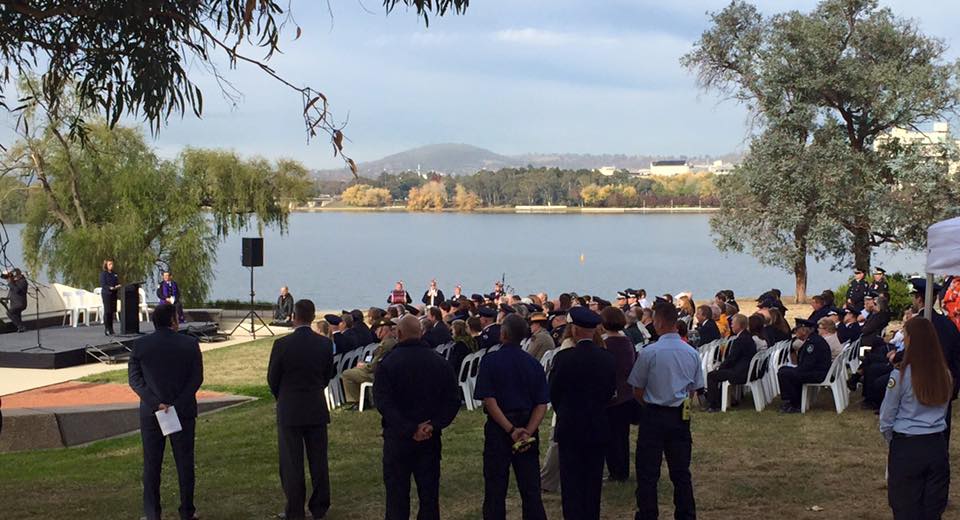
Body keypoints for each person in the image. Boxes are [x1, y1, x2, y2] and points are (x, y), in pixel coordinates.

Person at [374, 314, 461, 520]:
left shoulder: (388, 364)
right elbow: (452, 400)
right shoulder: (440, 363)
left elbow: (384, 403)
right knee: (429, 497)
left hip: (398, 438)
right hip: (429, 437)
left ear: (399, 333)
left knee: (397, 497)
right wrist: (433, 425)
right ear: (421, 333)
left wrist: (408, 428)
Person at [127, 303, 204, 520]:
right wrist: (177, 403)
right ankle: (187, 511)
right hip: (183, 410)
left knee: (152, 464)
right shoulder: (189, 344)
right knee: (185, 463)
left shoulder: (141, 345)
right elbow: (196, 379)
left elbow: (135, 380)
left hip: (152, 412)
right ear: (173, 320)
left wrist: (155, 403)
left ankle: (152, 513)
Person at [628, 300, 702, 520]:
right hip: (679, 415)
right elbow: (693, 389)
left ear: (658, 322)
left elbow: (637, 389)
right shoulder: (691, 352)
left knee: (648, 472)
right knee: (681, 472)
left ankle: (648, 514)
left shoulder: (650, 352)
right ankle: (686, 514)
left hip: (653, 414)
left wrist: (651, 403)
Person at [473, 314, 549, 520]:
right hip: (527, 426)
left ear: (503, 334)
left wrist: (510, 429)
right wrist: (528, 431)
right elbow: (542, 403)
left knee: (495, 487)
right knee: (531, 487)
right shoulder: (533, 364)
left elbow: (489, 400)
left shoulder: (490, 361)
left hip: (500, 428)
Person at [267, 299, 335, 520]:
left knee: (291, 463)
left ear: (294, 316)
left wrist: (283, 396)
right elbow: (327, 375)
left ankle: (295, 510)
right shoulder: (324, 344)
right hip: (315, 406)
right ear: (313, 317)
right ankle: (319, 507)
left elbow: (272, 378)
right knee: (318, 461)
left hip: (290, 409)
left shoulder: (282, 345)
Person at [879, 318, 953, 519]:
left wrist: (892, 441)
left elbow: (887, 415)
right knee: (932, 509)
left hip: (908, 444)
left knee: (905, 508)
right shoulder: (945, 374)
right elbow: (944, 408)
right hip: (936, 444)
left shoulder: (901, 375)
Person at [549, 307, 616, 520]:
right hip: (597, 424)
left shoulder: (564, 358)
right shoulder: (607, 358)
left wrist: (566, 411)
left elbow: (554, 392)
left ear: (575, 330)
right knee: (592, 482)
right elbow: (609, 392)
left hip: (570, 425)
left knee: (571, 483)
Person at [600, 306, 637, 482]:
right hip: (626, 392)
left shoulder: (604, 343)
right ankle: (622, 469)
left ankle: (616, 471)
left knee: (610, 436)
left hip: (611, 393)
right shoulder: (626, 341)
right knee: (622, 435)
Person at [776, 319, 831, 413]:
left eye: (797, 330)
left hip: (817, 373)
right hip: (816, 370)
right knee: (784, 370)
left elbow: (808, 365)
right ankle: (791, 400)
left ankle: (795, 403)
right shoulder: (811, 340)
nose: (795, 333)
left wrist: (796, 370)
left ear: (804, 331)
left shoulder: (813, 343)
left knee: (784, 373)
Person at [704, 314, 757, 412]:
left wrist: (720, 367)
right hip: (746, 369)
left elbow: (732, 359)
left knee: (711, 375)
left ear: (739, 325)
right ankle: (726, 399)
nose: (731, 326)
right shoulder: (748, 336)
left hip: (740, 373)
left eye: (732, 324)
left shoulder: (740, 340)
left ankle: (713, 404)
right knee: (718, 374)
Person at [341, 318, 398, 410]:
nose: (375, 332)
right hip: (385, 373)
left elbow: (373, 367)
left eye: (377, 329)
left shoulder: (385, 345)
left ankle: (357, 401)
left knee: (347, 374)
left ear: (383, 330)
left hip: (377, 375)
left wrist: (363, 366)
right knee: (355, 370)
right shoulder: (392, 341)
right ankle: (363, 399)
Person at [1, 268, 28, 333]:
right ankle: (21, 328)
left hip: (20, 303)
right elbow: (11, 292)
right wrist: (7, 299)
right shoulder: (15, 282)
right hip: (15, 303)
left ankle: (21, 327)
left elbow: (16, 290)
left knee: (9, 313)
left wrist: (10, 282)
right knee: (17, 315)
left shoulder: (23, 281)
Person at [100, 258, 121, 336]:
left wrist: (118, 286)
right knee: (107, 311)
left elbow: (117, 282)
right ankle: (107, 328)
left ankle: (111, 328)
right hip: (106, 294)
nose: (111, 266)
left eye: (112, 264)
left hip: (114, 294)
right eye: (109, 264)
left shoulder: (114, 274)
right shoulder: (103, 274)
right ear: (106, 265)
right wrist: (109, 288)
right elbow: (103, 284)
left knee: (112, 312)